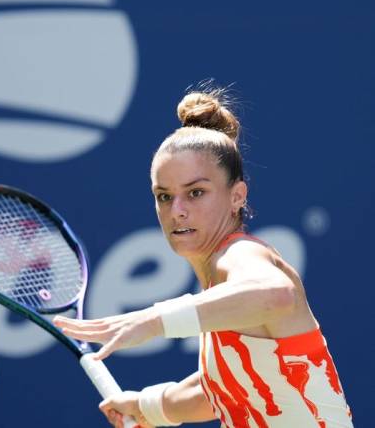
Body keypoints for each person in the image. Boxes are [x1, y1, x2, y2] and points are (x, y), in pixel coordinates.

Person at [53, 88, 353, 427]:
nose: (177, 211)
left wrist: (155, 320)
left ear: (237, 195)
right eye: (164, 196)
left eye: (196, 192)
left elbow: (276, 294)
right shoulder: (219, 292)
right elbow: (221, 391)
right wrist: (146, 406)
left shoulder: (240, 255)